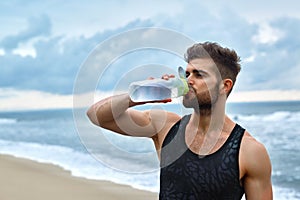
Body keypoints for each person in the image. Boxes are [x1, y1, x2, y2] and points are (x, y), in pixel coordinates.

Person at [87, 42, 273, 200]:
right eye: (186, 74)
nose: (188, 80)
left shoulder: (249, 151)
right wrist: (141, 94)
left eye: (199, 75)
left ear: (225, 86)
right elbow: (96, 115)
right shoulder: (165, 127)